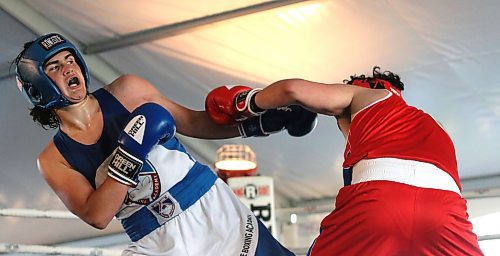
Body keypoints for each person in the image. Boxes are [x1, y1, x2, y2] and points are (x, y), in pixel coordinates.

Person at [14, 32, 317, 255]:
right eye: (54, 67)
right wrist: (130, 152)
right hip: (156, 239)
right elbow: (97, 215)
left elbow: (194, 122)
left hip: (209, 206)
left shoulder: (127, 91)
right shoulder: (54, 158)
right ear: (38, 86)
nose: (68, 68)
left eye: (70, 60)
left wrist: (262, 122)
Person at [205, 67, 484, 255]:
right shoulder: (433, 126)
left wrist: (246, 102)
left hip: (379, 200)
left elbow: (293, 89)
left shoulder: (368, 95)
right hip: (448, 214)